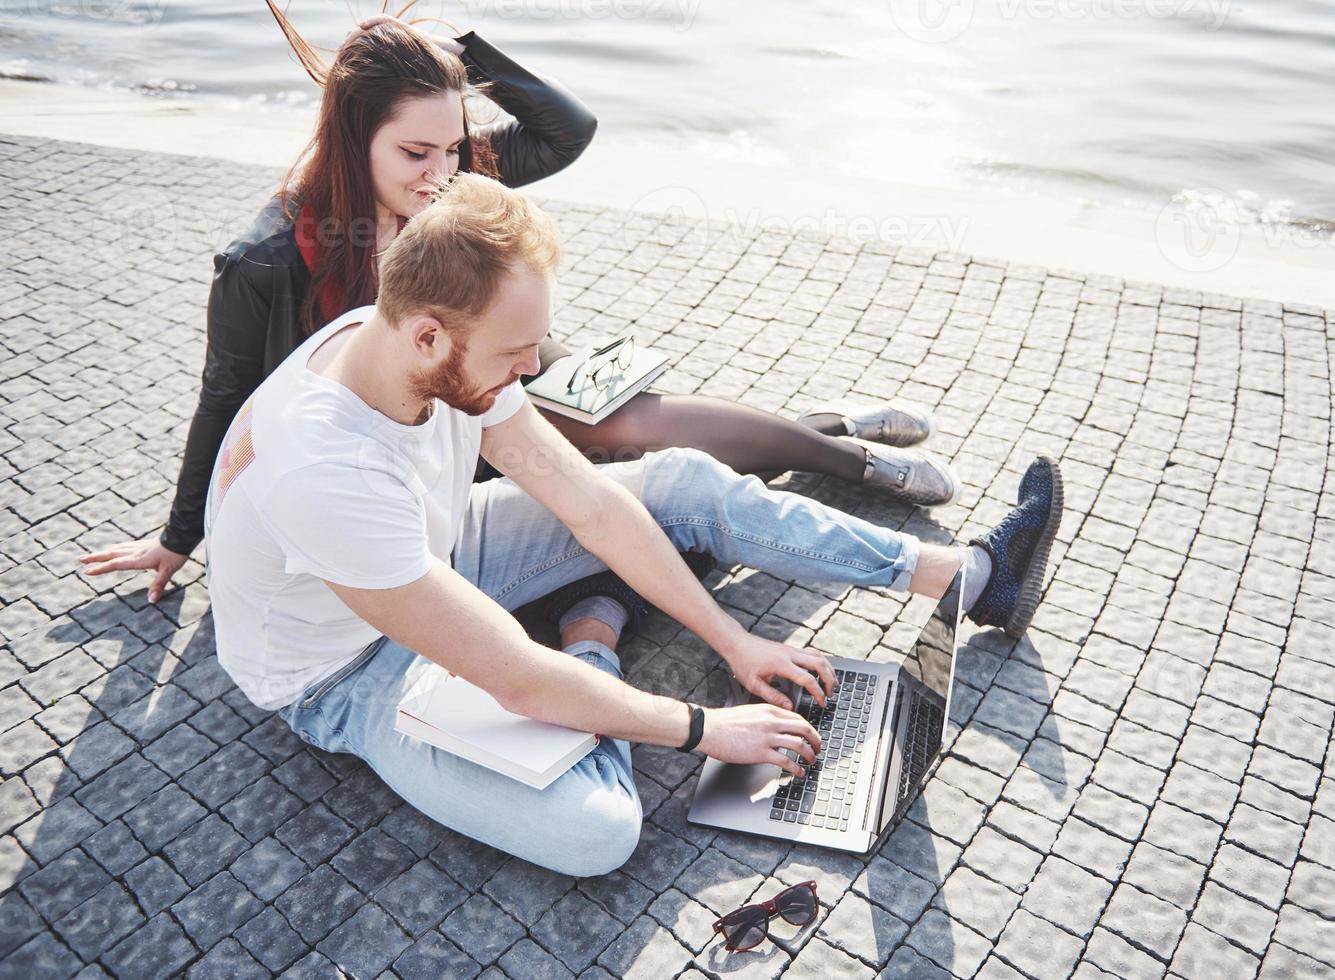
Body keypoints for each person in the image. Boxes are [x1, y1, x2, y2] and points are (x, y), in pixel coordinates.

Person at [201, 172, 1063, 877]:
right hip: (344, 670)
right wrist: (703, 726)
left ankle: (963, 577)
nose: (532, 369)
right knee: (595, 832)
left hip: (433, 550)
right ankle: (593, 629)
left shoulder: (405, 339)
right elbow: (517, 682)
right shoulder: (327, 469)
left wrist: (733, 643)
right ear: (428, 337)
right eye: (513, 352)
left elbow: (591, 501)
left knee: (677, 483)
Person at [79, 8, 956, 604]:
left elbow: (565, 130)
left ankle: (848, 460)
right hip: (427, 441)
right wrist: (179, 536)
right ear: (352, 134)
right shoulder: (266, 259)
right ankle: (824, 429)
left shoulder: (450, 173)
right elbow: (224, 394)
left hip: (506, 384)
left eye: (450, 148)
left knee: (627, 430)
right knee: (636, 479)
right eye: (415, 152)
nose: (438, 175)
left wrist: (460, 52)